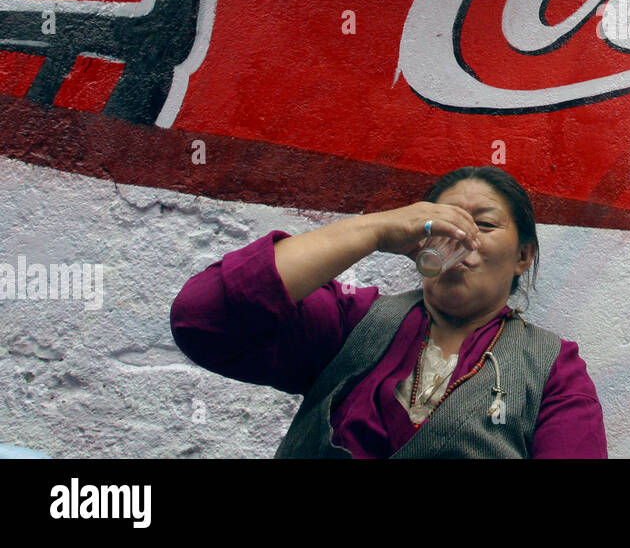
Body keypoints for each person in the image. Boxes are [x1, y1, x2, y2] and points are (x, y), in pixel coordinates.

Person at [170, 165, 607, 458]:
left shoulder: (552, 369)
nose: (462, 237)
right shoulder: (353, 322)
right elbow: (203, 317)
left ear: (522, 256)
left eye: (484, 225)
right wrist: (375, 229)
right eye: (444, 223)